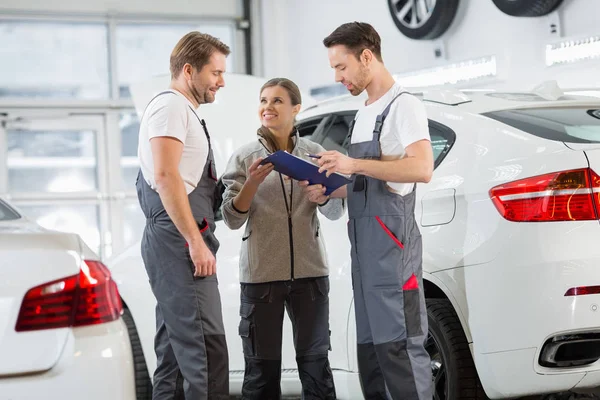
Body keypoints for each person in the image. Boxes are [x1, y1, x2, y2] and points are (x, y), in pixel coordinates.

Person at [304, 22, 435, 399]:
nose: (336, 76)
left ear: (366, 57)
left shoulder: (403, 105)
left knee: (402, 352)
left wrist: (354, 165)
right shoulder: (364, 112)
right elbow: (367, 184)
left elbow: (420, 168)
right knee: (373, 358)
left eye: (341, 66)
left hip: (395, 256)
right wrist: (328, 191)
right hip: (365, 257)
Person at [220, 78, 343, 400]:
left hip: (311, 274)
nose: (267, 107)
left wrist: (322, 196)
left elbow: (335, 211)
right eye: (263, 100)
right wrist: (251, 183)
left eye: (277, 101)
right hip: (262, 277)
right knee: (261, 373)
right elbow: (233, 219)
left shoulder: (316, 154)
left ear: (296, 108)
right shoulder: (244, 157)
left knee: (317, 368)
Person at [136, 31, 230, 400]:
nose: (221, 82)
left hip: (177, 235)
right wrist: (194, 242)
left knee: (176, 353)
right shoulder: (171, 107)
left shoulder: (183, 111)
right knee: (205, 350)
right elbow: (165, 175)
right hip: (179, 239)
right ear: (189, 70)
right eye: (216, 72)